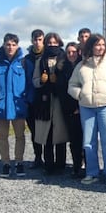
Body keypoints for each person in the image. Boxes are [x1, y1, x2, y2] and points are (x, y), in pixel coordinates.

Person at [68, 33, 106, 185]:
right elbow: (71, 85)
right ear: (91, 46)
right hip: (87, 107)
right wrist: (79, 94)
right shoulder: (81, 66)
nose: (100, 47)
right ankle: (92, 172)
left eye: (103, 45)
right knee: (88, 142)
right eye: (97, 44)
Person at [0, 33, 29, 177]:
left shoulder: (23, 63)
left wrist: (27, 101)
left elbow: (30, 84)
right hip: (1, 106)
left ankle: (19, 162)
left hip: (18, 106)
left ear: (17, 46)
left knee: (20, 136)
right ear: (3, 45)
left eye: (13, 44)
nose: (10, 47)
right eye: (8, 44)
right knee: (2, 136)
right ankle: (5, 163)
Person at [33, 32, 69, 175]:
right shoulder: (40, 60)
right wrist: (42, 81)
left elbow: (68, 78)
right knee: (47, 135)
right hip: (45, 101)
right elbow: (34, 80)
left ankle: (61, 165)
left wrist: (58, 81)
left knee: (60, 134)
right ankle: (48, 164)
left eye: (55, 43)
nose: (52, 45)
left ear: (59, 43)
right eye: (50, 43)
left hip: (60, 100)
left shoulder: (65, 58)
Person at [60, 42, 84, 178]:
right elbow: (60, 90)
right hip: (68, 109)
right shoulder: (62, 68)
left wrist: (79, 107)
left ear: (78, 52)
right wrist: (70, 108)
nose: (71, 54)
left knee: (85, 139)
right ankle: (76, 166)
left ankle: (86, 164)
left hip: (83, 108)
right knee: (74, 140)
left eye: (74, 51)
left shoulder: (83, 66)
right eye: (68, 52)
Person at [23, 29, 46, 169]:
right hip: (31, 99)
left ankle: (51, 159)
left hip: (46, 99)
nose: (37, 43)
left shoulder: (48, 56)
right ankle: (38, 157)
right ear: (31, 41)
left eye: (40, 40)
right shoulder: (26, 59)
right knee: (34, 131)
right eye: (35, 40)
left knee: (48, 130)